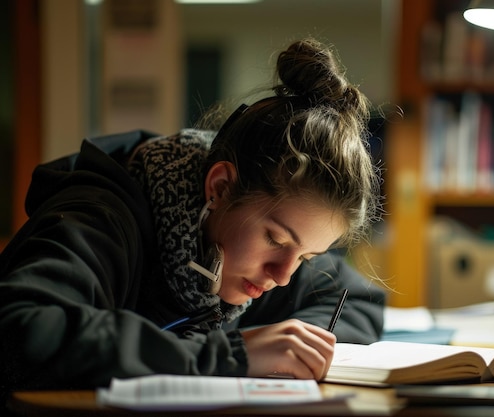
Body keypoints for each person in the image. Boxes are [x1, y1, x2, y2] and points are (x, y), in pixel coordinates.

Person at [0, 38, 386, 399]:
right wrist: (230, 355)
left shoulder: (250, 253)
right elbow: (21, 330)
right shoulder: (98, 219)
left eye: (306, 258)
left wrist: (299, 349)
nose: (283, 275)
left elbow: (358, 298)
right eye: (275, 239)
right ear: (218, 187)